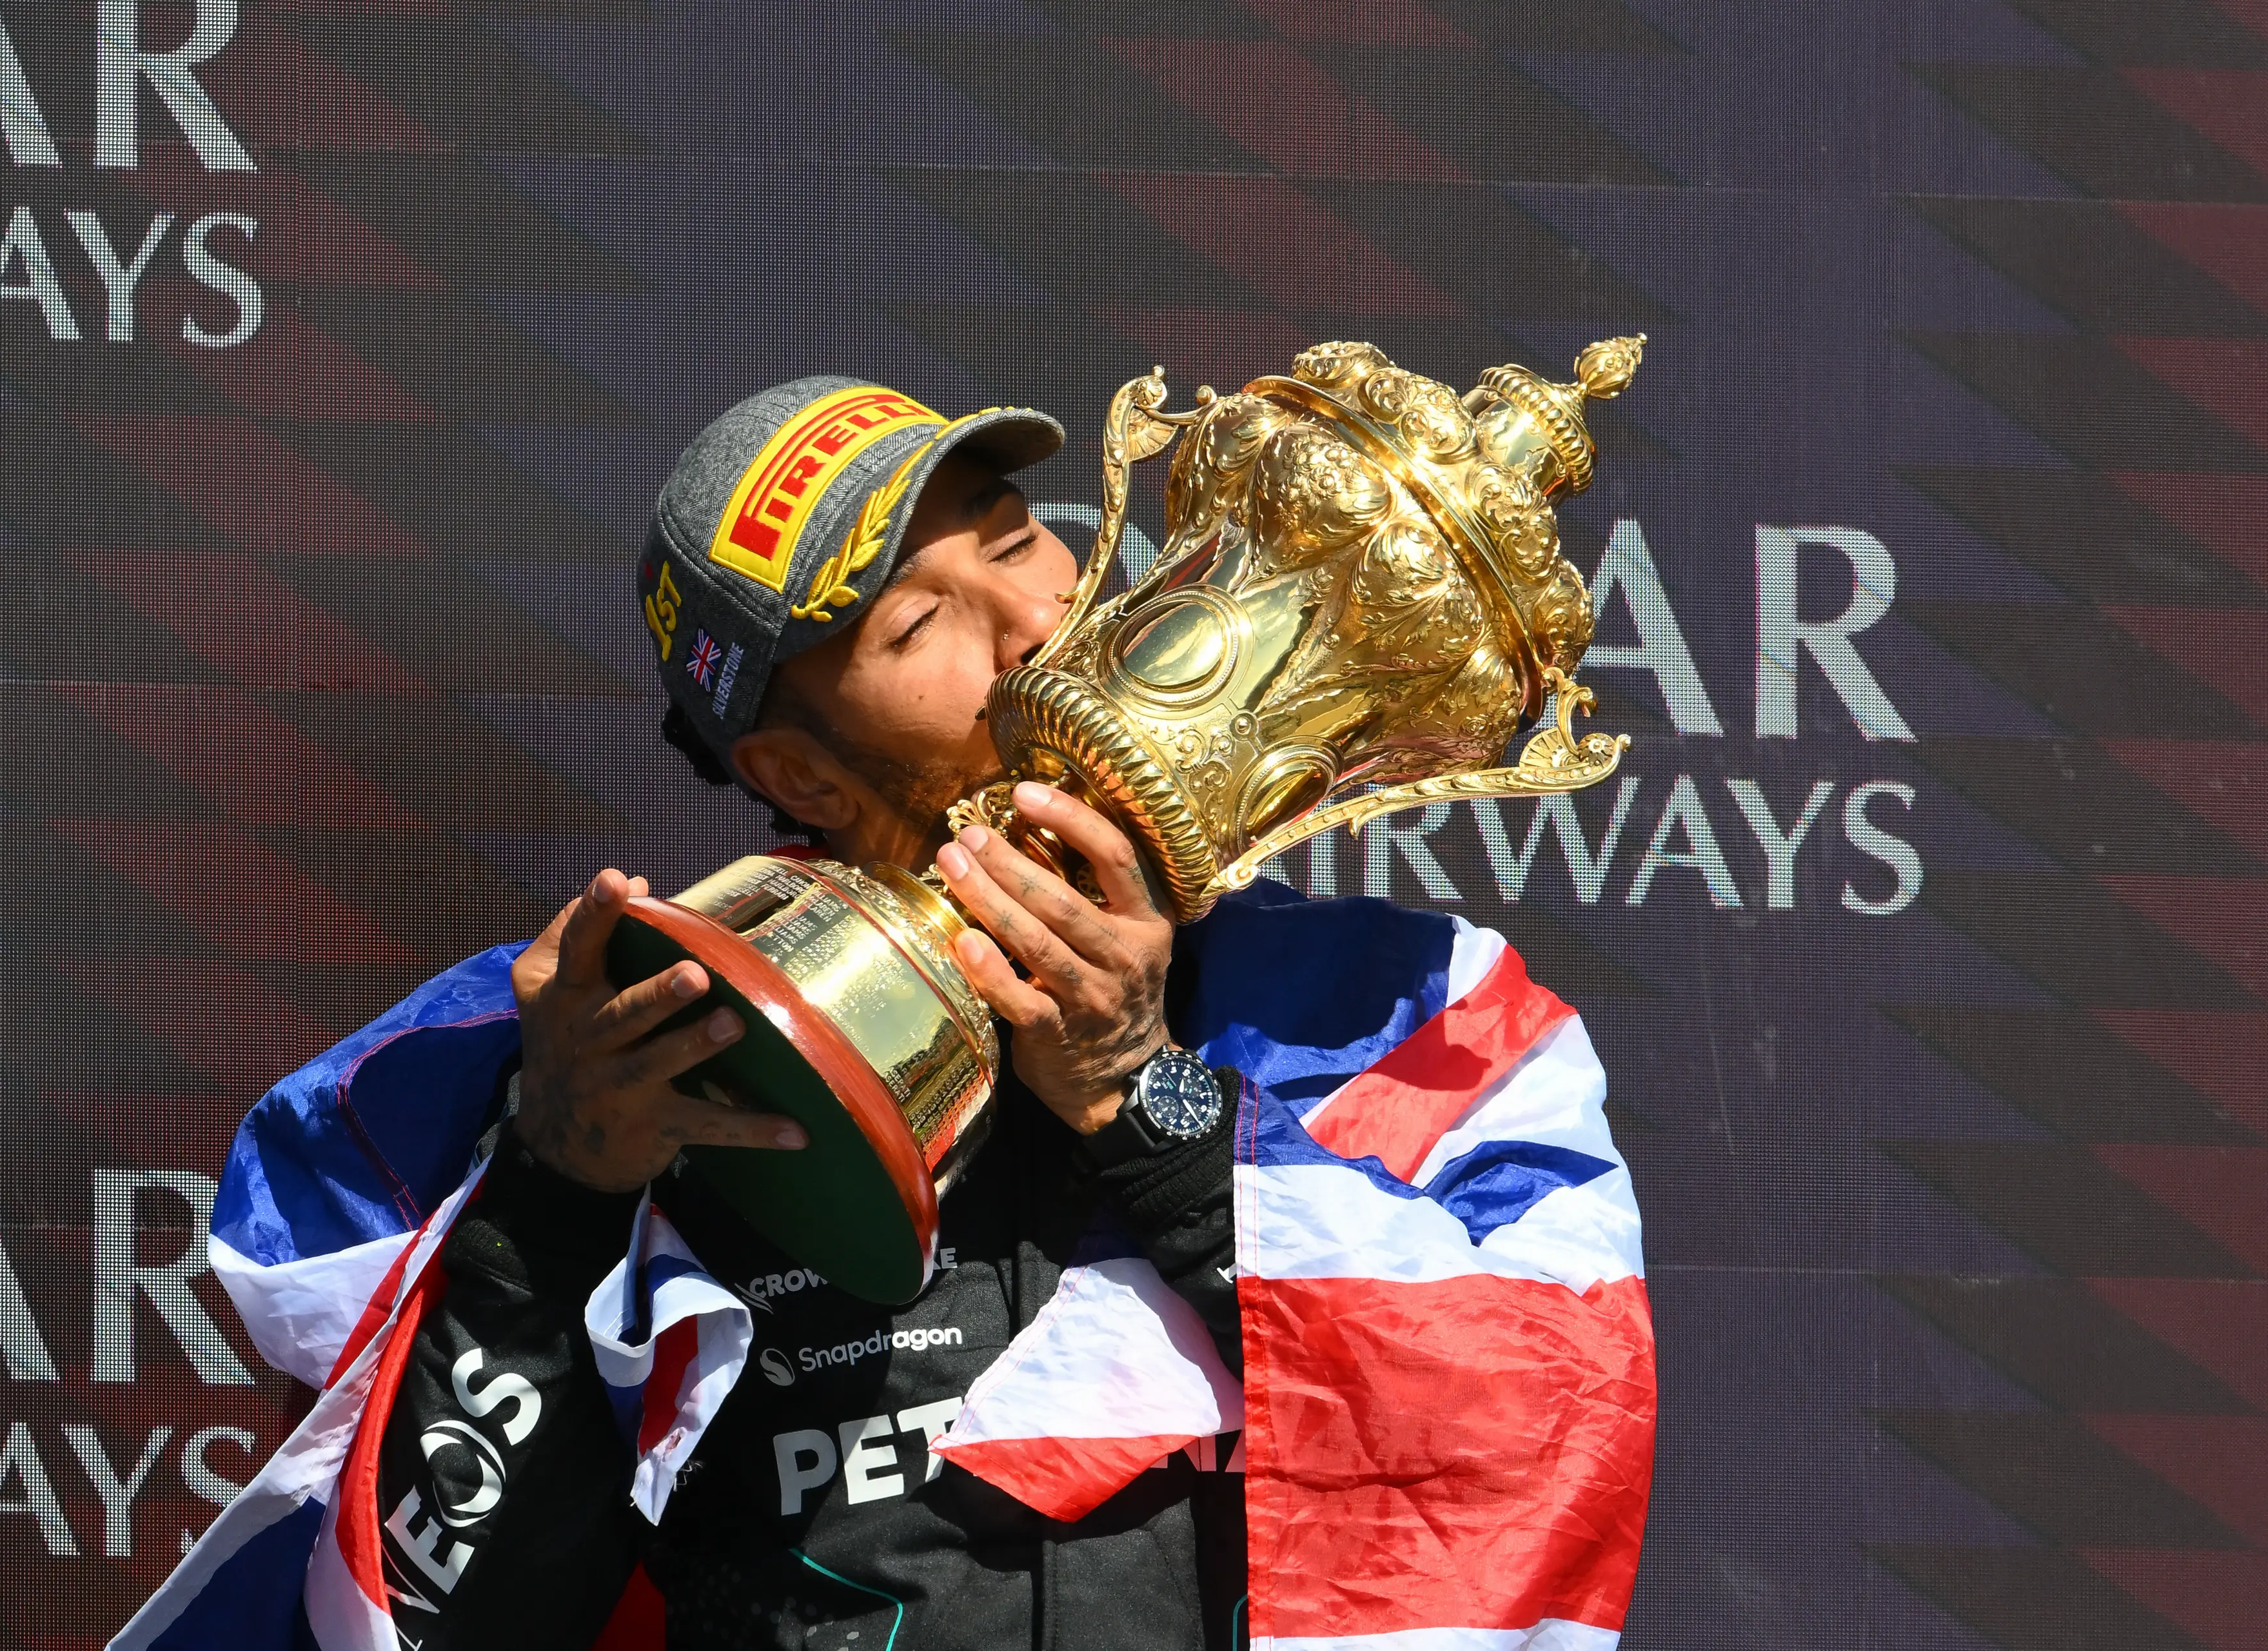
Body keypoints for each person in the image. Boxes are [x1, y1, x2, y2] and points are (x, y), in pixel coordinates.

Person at [118, 377, 1653, 1651]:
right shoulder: (630, 1051)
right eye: (922, 624)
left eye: (1017, 541)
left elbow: (1531, 1458)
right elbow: (446, 1620)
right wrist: (555, 1186)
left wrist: (1145, 1097)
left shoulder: (1403, 1015)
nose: (1035, 617)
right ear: (800, 776)